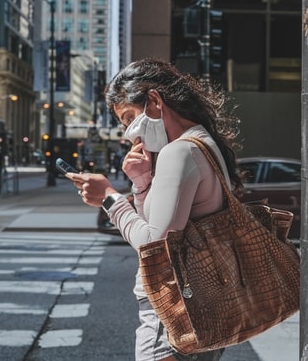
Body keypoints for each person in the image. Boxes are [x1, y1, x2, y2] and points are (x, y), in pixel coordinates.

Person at [65, 58, 243, 361]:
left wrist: (109, 198)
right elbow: (165, 224)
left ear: (154, 101)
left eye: (129, 117)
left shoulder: (180, 152)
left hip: (171, 314)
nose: (130, 134)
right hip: (205, 308)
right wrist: (141, 182)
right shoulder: (201, 143)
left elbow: (155, 246)